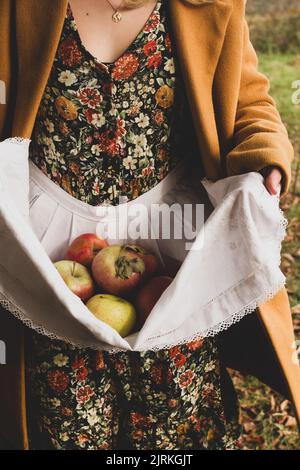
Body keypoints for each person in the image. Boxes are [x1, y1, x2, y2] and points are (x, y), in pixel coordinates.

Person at [0, 0, 299, 450]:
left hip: (176, 251)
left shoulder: (210, 4)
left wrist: (266, 158)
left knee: (177, 409)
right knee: (68, 417)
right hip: (52, 252)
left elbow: (247, 99)